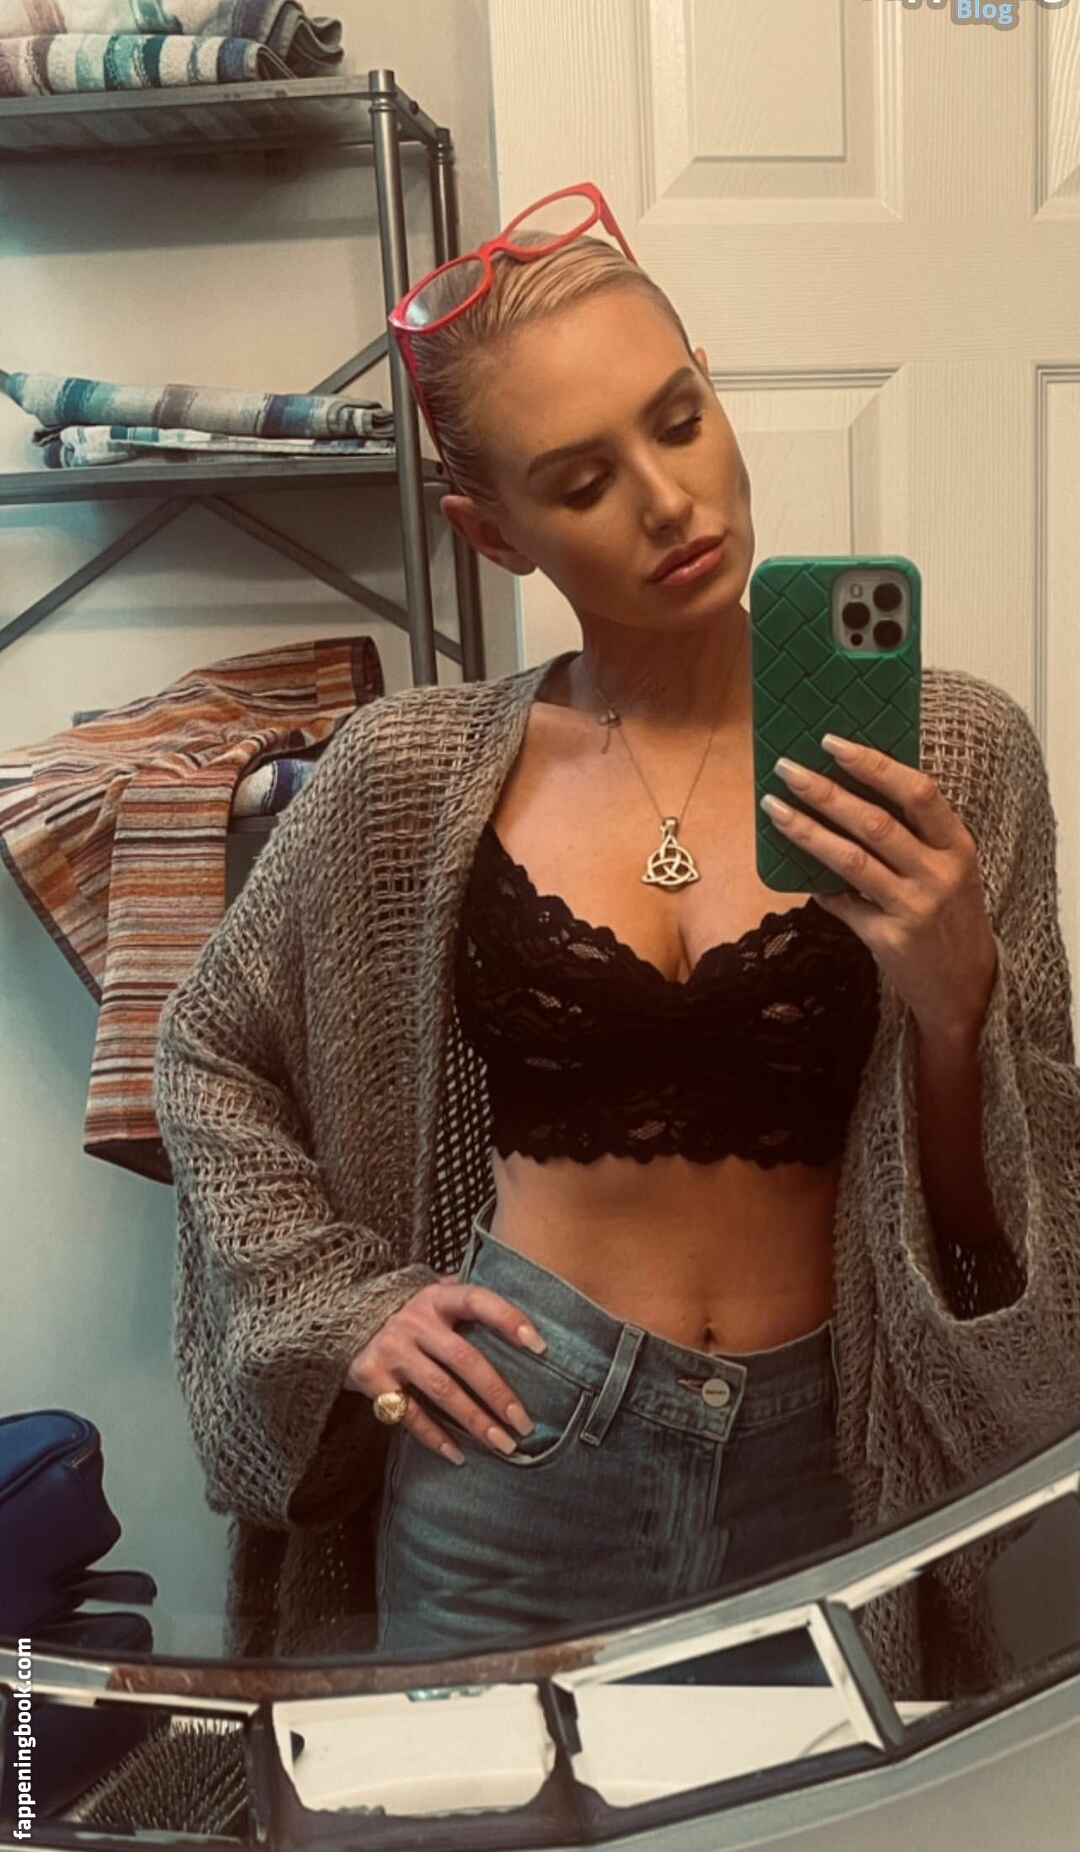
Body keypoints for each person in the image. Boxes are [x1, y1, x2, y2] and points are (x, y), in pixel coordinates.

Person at [154, 186, 1080, 1705]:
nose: (668, 500)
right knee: (474, 1813)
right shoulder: (406, 779)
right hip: (515, 1464)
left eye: (679, 420)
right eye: (582, 480)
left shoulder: (953, 755)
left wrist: (957, 1009)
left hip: (833, 1460)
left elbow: (1001, 1246)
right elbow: (208, 1048)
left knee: (830, 1814)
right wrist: (343, 1303)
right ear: (493, 532)